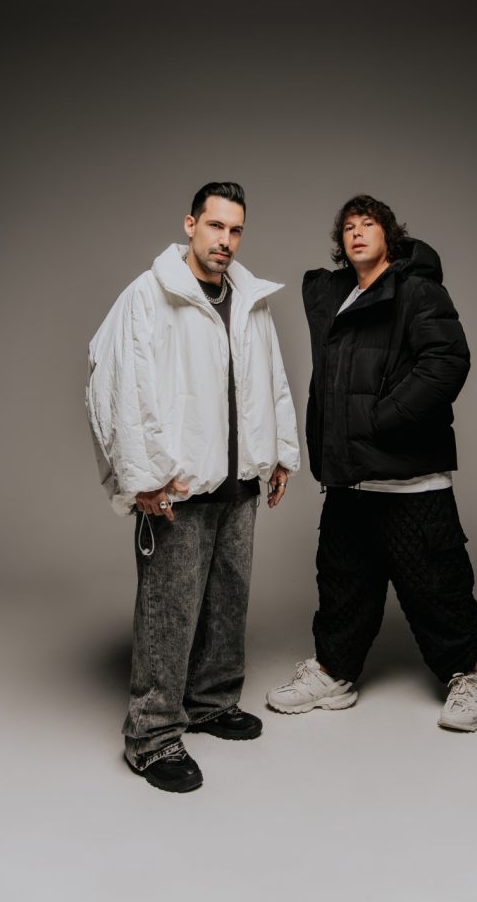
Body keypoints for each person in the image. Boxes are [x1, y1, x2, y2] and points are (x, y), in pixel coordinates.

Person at [86, 181, 300, 792]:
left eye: (235, 230)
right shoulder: (147, 295)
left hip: (239, 479)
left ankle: (210, 701)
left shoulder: (250, 299)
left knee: (228, 600)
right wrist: (142, 478)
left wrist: (280, 454)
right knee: (169, 609)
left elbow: (272, 380)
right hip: (176, 487)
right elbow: (116, 387)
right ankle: (151, 736)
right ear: (190, 225)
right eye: (215, 226)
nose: (225, 240)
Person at [266, 194, 477, 731]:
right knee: (342, 584)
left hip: (410, 480)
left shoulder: (417, 290)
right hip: (350, 480)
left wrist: (382, 417)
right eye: (348, 226)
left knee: (435, 587)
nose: (356, 232)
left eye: (368, 224)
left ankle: (471, 677)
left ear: (388, 235)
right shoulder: (337, 295)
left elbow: (448, 361)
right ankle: (333, 673)